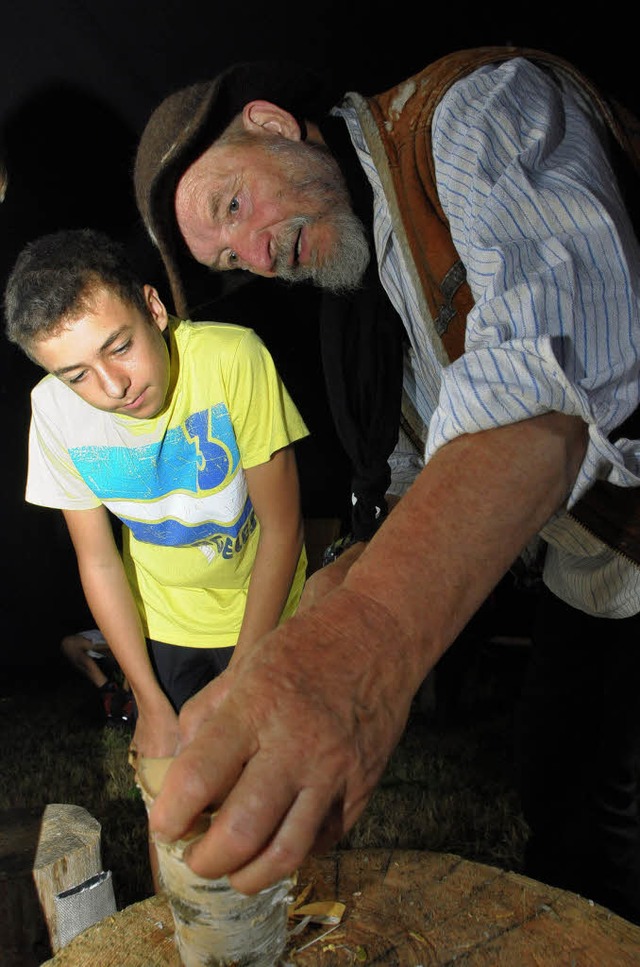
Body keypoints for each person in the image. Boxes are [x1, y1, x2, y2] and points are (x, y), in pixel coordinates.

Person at [132, 48, 640, 922]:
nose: (257, 253)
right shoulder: (369, 297)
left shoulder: (475, 113)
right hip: (593, 567)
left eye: (233, 204)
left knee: (625, 814)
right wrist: (320, 608)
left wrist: (359, 647)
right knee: (553, 783)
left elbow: (554, 384)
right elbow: (413, 486)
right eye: (231, 255)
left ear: (271, 123)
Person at [4, 226, 309, 885]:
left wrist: (241, 676)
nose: (113, 385)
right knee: (172, 806)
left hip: (269, 606)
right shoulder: (54, 415)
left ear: (154, 307)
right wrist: (147, 699)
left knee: (278, 803)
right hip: (168, 624)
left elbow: (284, 530)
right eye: (76, 373)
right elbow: (99, 560)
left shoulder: (233, 358)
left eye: (120, 347)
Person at [60, 627, 135, 726]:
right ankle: (109, 690)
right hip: (110, 638)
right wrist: (94, 646)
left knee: (134, 647)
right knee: (69, 644)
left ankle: (125, 701)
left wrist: (125, 692)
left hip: (131, 643)